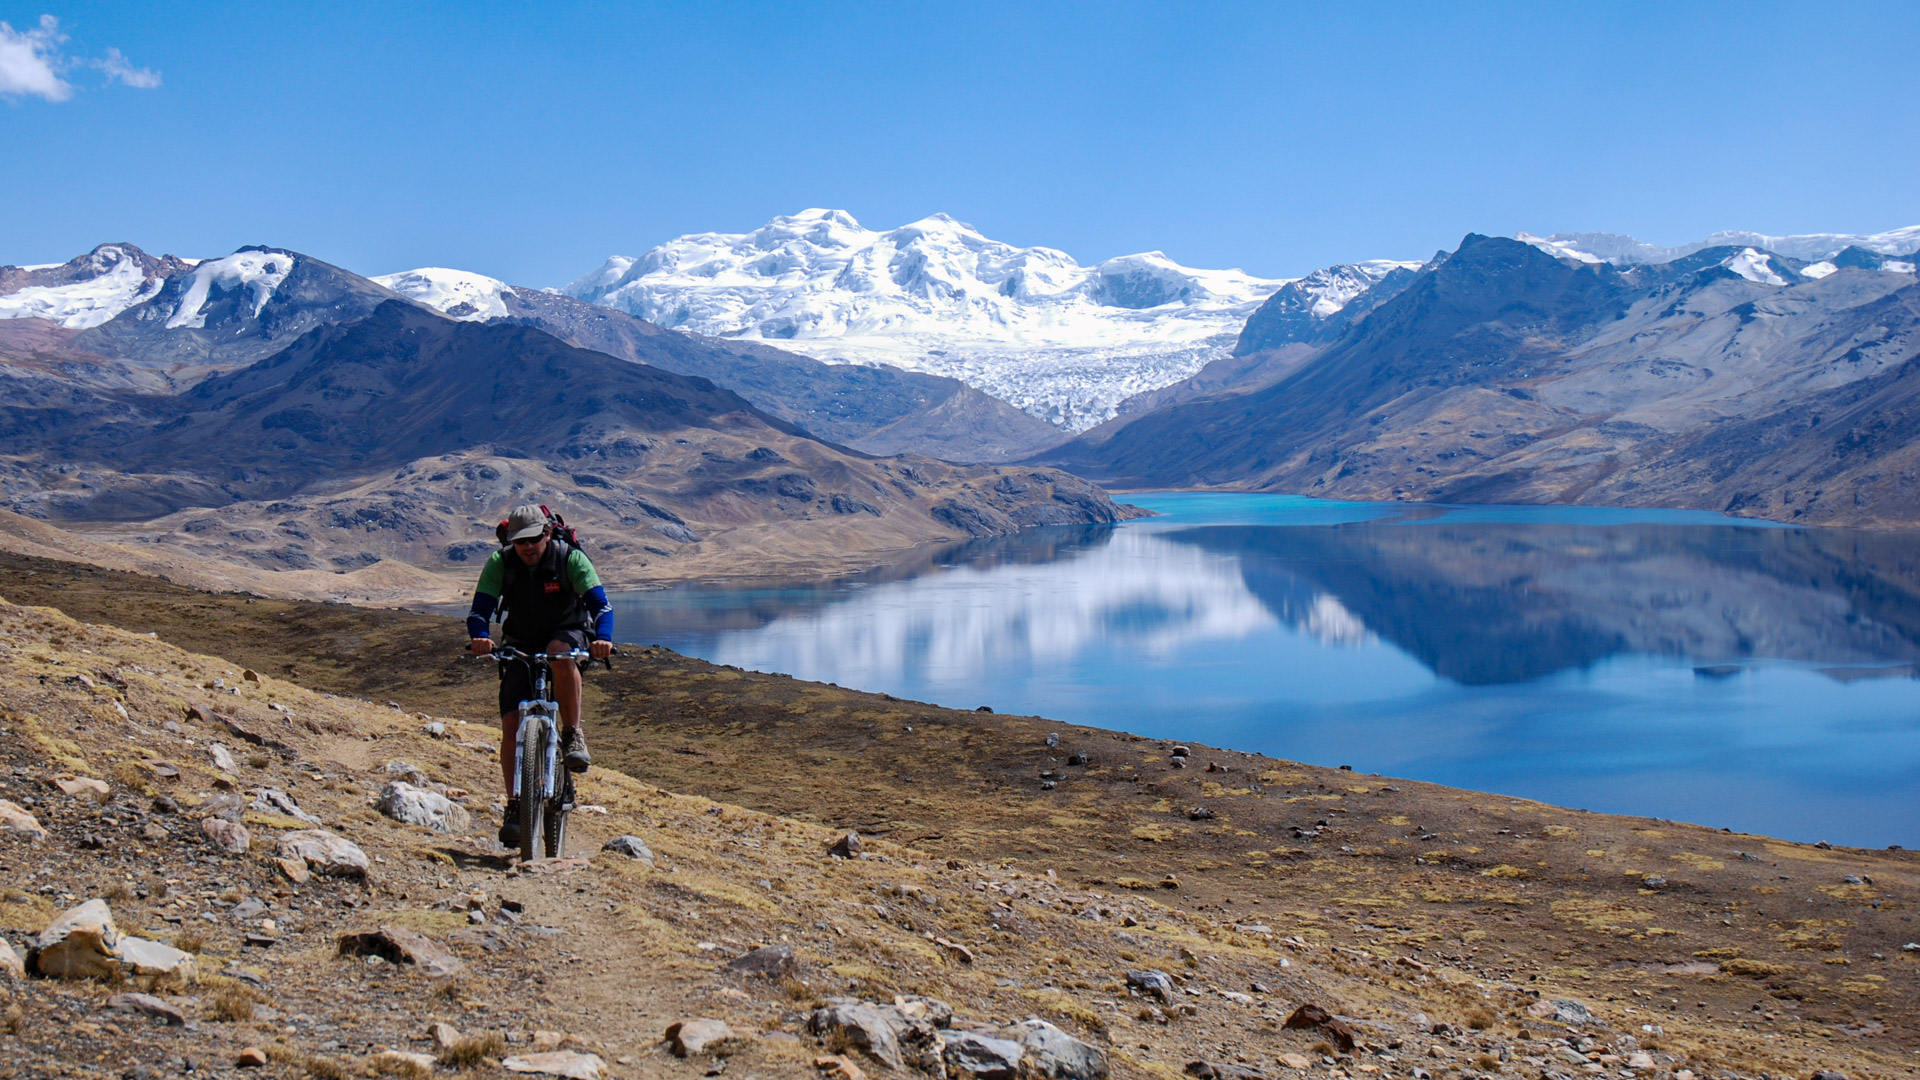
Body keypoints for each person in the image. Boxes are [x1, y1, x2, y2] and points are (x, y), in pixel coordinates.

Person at [466, 504, 614, 848]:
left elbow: (600, 605)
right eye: (521, 542)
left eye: (535, 539)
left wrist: (603, 638)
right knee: (510, 726)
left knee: (559, 655)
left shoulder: (569, 559)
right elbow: (479, 610)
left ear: (547, 533)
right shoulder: (500, 563)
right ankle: (516, 806)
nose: (528, 547)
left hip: (567, 631)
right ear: (511, 542)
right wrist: (479, 637)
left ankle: (573, 733)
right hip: (519, 640)